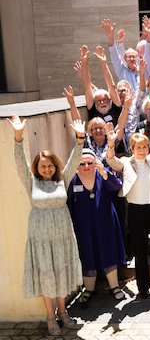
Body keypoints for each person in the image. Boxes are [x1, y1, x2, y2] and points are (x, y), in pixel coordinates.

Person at [9, 115, 85, 336]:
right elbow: (19, 161)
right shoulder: (31, 181)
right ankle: (50, 317)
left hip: (62, 234)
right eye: (42, 166)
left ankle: (63, 313)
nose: (47, 169)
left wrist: (80, 139)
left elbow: (74, 161)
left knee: (60, 274)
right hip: (40, 237)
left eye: (50, 165)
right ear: (37, 167)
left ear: (55, 166)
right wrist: (18, 136)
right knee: (47, 274)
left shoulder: (63, 179)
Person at [106, 131, 150, 299]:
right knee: (140, 251)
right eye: (138, 147)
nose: (142, 150)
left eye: (144, 146)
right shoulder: (126, 163)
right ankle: (143, 287)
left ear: (149, 148)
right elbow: (111, 160)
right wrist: (111, 143)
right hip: (136, 212)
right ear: (132, 149)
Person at [67, 150, 126, 303]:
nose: (86, 166)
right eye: (82, 163)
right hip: (83, 225)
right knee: (87, 253)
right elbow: (67, 204)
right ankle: (89, 289)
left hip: (105, 222)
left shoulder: (102, 173)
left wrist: (105, 174)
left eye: (90, 163)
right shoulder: (72, 179)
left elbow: (117, 186)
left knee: (108, 249)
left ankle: (114, 286)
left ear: (96, 163)